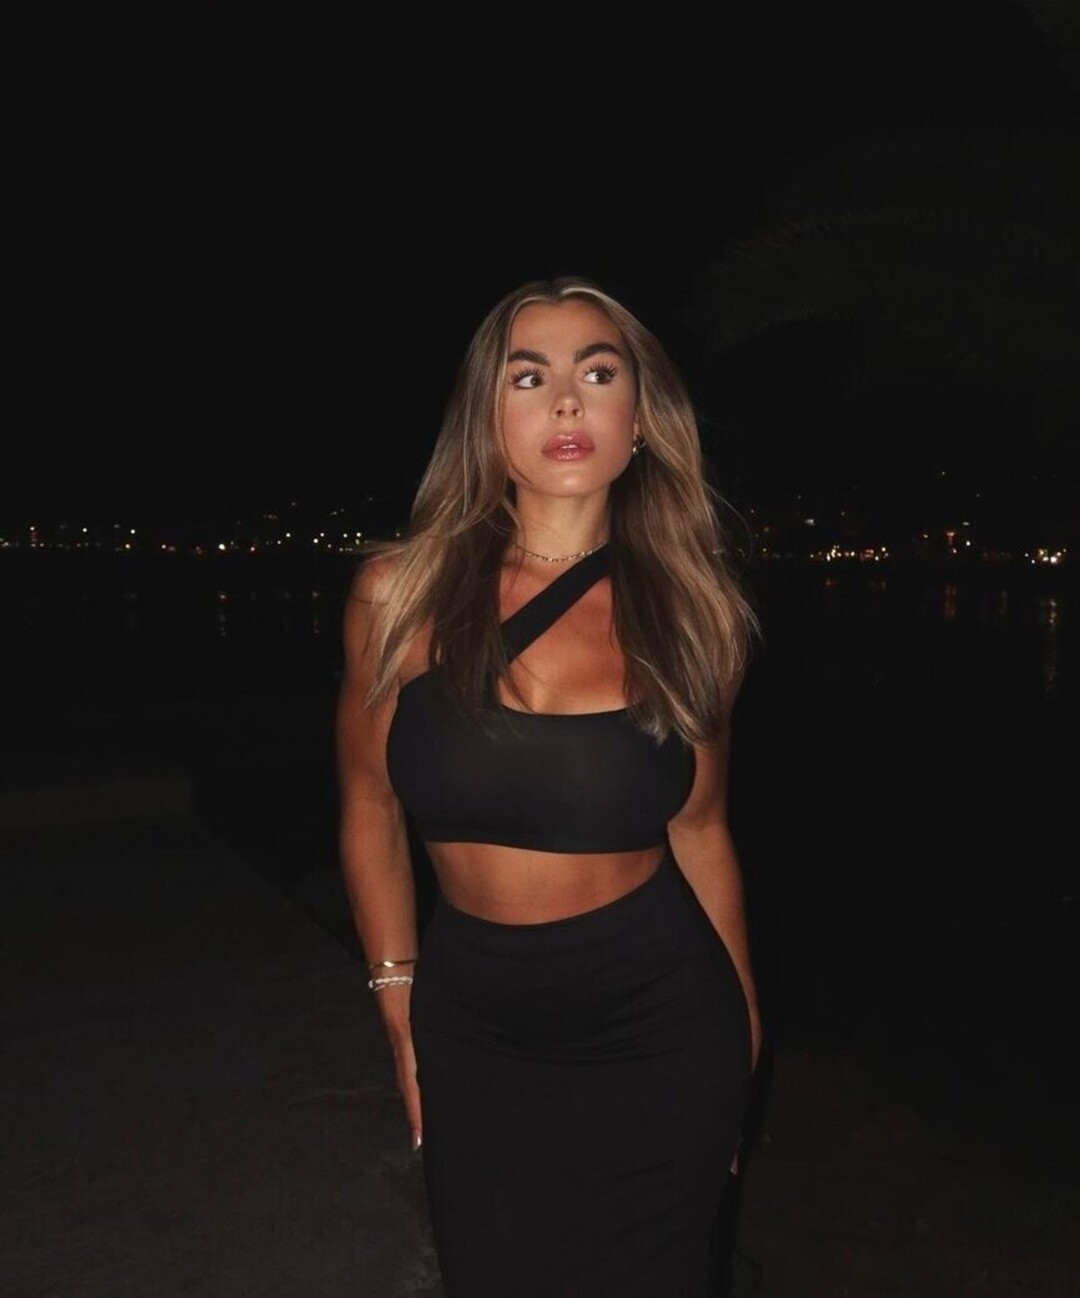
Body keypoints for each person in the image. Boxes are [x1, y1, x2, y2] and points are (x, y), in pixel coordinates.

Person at [336, 275, 763, 1296]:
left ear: (640, 420)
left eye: (598, 373)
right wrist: (397, 1000)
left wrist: (743, 1051)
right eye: (529, 376)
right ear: (487, 417)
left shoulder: (692, 617)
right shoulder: (399, 595)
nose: (567, 399)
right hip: (474, 1025)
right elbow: (368, 806)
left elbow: (703, 833)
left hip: (660, 1026)